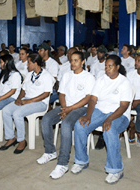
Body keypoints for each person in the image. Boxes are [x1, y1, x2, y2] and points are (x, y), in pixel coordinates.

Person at [71, 55, 133, 184]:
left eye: (110, 66)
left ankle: (115, 169)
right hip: (101, 110)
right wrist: (88, 115)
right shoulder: (101, 80)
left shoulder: (124, 82)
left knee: (109, 130)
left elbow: (124, 106)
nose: (107, 69)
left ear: (117, 67)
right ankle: (81, 161)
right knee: (80, 125)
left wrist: (110, 118)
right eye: (106, 66)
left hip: (119, 114)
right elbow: (93, 99)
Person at [37, 51, 95, 179]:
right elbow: (61, 94)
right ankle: (50, 151)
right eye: (71, 60)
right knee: (46, 119)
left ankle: (63, 163)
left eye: (76, 60)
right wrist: (64, 108)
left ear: (82, 62)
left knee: (66, 124)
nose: (72, 63)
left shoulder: (88, 77)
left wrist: (70, 109)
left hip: (80, 108)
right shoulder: (67, 75)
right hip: (66, 106)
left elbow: (88, 98)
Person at [0, 54, 53, 154]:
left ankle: (22, 140)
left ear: (35, 63)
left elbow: (46, 94)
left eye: (29, 62)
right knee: (6, 110)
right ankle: (10, 138)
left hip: (40, 103)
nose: (27, 65)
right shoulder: (30, 74)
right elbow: (23, 90)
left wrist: (28, 101)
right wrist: (19, 98)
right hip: (26, 99)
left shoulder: (46, 76)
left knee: (17, 114)